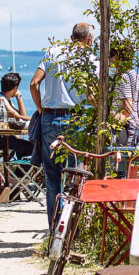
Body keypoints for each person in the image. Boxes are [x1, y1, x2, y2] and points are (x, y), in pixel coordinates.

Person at [31, 23, 96, 228]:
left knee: (52, 176)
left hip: (50, 119)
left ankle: (54, 229)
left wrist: (42, 110)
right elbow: (92, 93)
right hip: (76, 119)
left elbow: (34, 84)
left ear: (71, 37)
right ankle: (72, 229)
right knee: (77, 173)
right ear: (89, 40)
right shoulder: (90, 59)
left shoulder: (53, 52)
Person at [0, 71, 32, 160]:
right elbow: (19, 117)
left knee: (24, 147)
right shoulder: (1, 99)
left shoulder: (5, 99)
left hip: (0, 140)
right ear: (15, 88)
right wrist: (37, 119)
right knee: (33, 147)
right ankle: (19, 172)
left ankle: (18, 172)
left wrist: (18, 97)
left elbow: (22, 115)